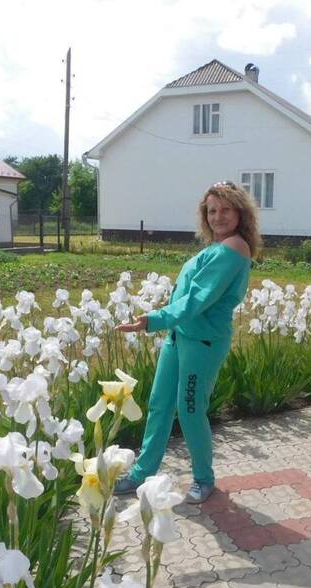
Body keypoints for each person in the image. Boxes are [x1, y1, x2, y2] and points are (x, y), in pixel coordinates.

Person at [114, 181, 260, 503]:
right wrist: (164, 322)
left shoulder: (234, 248)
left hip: (203, 343)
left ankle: (203, 479)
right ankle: (141, 473)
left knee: (190, 410)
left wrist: (153, 320)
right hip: (178, 337)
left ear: (240, 213)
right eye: (212, 210)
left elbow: (197, 299)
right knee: (159, 404)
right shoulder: (215, 247)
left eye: (225, 209)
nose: (218, 216)